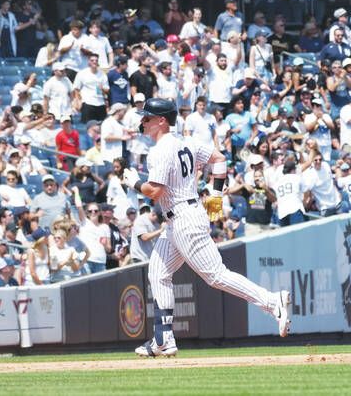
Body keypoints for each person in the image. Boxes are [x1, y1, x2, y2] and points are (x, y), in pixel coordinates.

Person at [123, 98, 291, 357]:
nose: (142, 121)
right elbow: (220, 159)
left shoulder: (159, 150)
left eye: (147, 117)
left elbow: (155, 191)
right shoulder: (187, 141)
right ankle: (163, 339)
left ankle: (272, 302)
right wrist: (215, 194)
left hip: (183, 218)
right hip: (178, 218)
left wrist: (134, 182)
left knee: (215, 275)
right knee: (158, 273)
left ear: (161, 121)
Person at [73, 54, 109, 123]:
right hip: (88, 104)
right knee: (87, 126)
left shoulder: (102, 74)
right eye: (92, 60)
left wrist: (102, 89)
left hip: (100, 103)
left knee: (100, 127)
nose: (94, 62)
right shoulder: (82, 73)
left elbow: (107, 90)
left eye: (96, 60)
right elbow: (76, 89)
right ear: (88, 62)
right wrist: (78, 101)